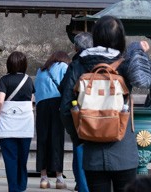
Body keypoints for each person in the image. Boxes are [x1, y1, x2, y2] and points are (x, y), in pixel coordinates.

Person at [59, 14, 151, 192]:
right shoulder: (126, 64)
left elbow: (65, 108)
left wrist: (80, 135)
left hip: (92, 149)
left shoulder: (78, 64)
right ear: (120, 39)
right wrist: (140, 54)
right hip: (124, 149)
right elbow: (149, 81)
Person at [0, 49, 35, 192]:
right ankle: (22, 185)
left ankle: (13, 188)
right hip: (25, 124)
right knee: (22, 158)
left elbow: (0, 100)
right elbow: (31, 101)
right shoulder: (28, 80)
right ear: (24, 64)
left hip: (8, 124)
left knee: (10, 158)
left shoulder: (4, 80)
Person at [34, 50, 70, 188]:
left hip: (42, 105)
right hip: (57, 104)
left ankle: (43, 178)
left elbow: (36, 90)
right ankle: (59, 178)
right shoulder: (64, 66)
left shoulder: (41, 70)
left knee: (42, 140)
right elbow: (67, 87)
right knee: (57, 140)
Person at [65, 27, 92, 192]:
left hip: (80, 112)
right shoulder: (104, 62)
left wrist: (67, 120)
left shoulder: (76, 64)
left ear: (76, 47)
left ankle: (82, 185)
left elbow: (66, 91)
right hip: (102, 114)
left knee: (80, 147)